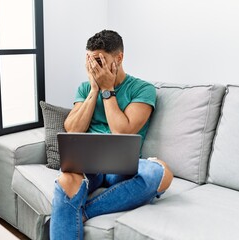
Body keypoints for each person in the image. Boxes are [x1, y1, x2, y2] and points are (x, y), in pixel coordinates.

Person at [50, 30, 173, 240]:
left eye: (99, 61)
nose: (94, 67)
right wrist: (94, 90)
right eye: (89, 61)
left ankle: (84, 211)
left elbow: (122, 131)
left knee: (159, 173)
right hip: (89, 164)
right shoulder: (85, 88)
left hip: (122, 168)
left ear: (119, 58)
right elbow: (73, 129)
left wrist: (108, 90)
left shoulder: (143, 89)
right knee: (66, 179)